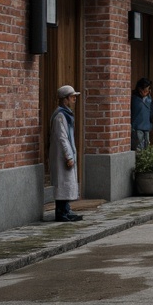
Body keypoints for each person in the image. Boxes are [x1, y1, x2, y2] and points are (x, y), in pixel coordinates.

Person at [49, 84, 83, 222]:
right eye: (72, 97)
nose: (74, 99)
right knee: (63, 183)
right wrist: (68, 156)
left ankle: (66, 209)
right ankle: (61, 212)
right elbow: (62, 137)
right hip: (62, 156)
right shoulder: (60, 117)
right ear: (65, 99)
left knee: (67, 183)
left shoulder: (67, 114)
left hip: (66, 153)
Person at [130, 77, 153, 151]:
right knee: (138, 148)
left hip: (146, 128)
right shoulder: (134, 99)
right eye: (143, 90)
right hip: (137, 128)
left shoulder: (149, 99)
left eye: (147, 90)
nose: (145, 92)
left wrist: (152, 123)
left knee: (146, 148)